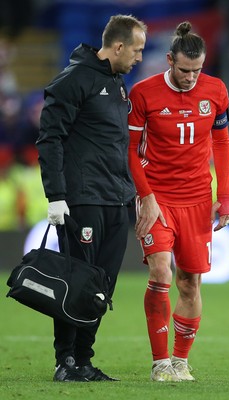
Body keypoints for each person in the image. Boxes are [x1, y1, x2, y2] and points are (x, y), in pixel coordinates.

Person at [36, 14, 147, 382]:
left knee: (102, 287)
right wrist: (56, 195)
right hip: (83, 199)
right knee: (78, 281)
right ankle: (65, 361)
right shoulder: (74, 79)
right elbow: (49, 138)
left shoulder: (116, 83)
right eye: (137, 50)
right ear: (118, 46)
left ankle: (84, 359)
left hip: (116, 200)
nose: (139, 58)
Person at [128, 21, 229, 382]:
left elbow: (221, 143)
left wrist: (227, 196)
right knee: (160, 271)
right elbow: (130, 150)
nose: (191, 77)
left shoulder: (216, 91)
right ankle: (160, 363)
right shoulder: (143, 93)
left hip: (198, 200)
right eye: (185, 70)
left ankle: (180, 361)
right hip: (157, 197)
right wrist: (146, 196)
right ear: (170, 60)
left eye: (198, 69)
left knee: (189, 284)